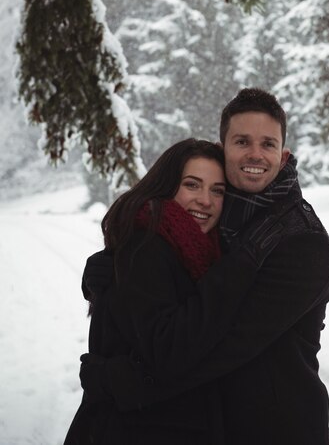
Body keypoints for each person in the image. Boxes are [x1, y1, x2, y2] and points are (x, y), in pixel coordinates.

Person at [80, 88, 329, 445]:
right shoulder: (225, 217)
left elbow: (220, 346)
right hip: (219, 425)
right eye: (242, 141)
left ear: (284, 154)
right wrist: (116, 263)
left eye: (267, 144)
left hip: (280, 428)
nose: (255, 155)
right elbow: (178, 275)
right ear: (224, 149)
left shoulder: (301, 242)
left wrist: (119, 380)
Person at [65, 137, 284, 445]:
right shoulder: (147, 247)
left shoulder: (199, 252)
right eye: (192, 185)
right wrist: (240, 267)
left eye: (217, 190)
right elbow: (170, 351)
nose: (205, 200)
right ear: (166, 186)